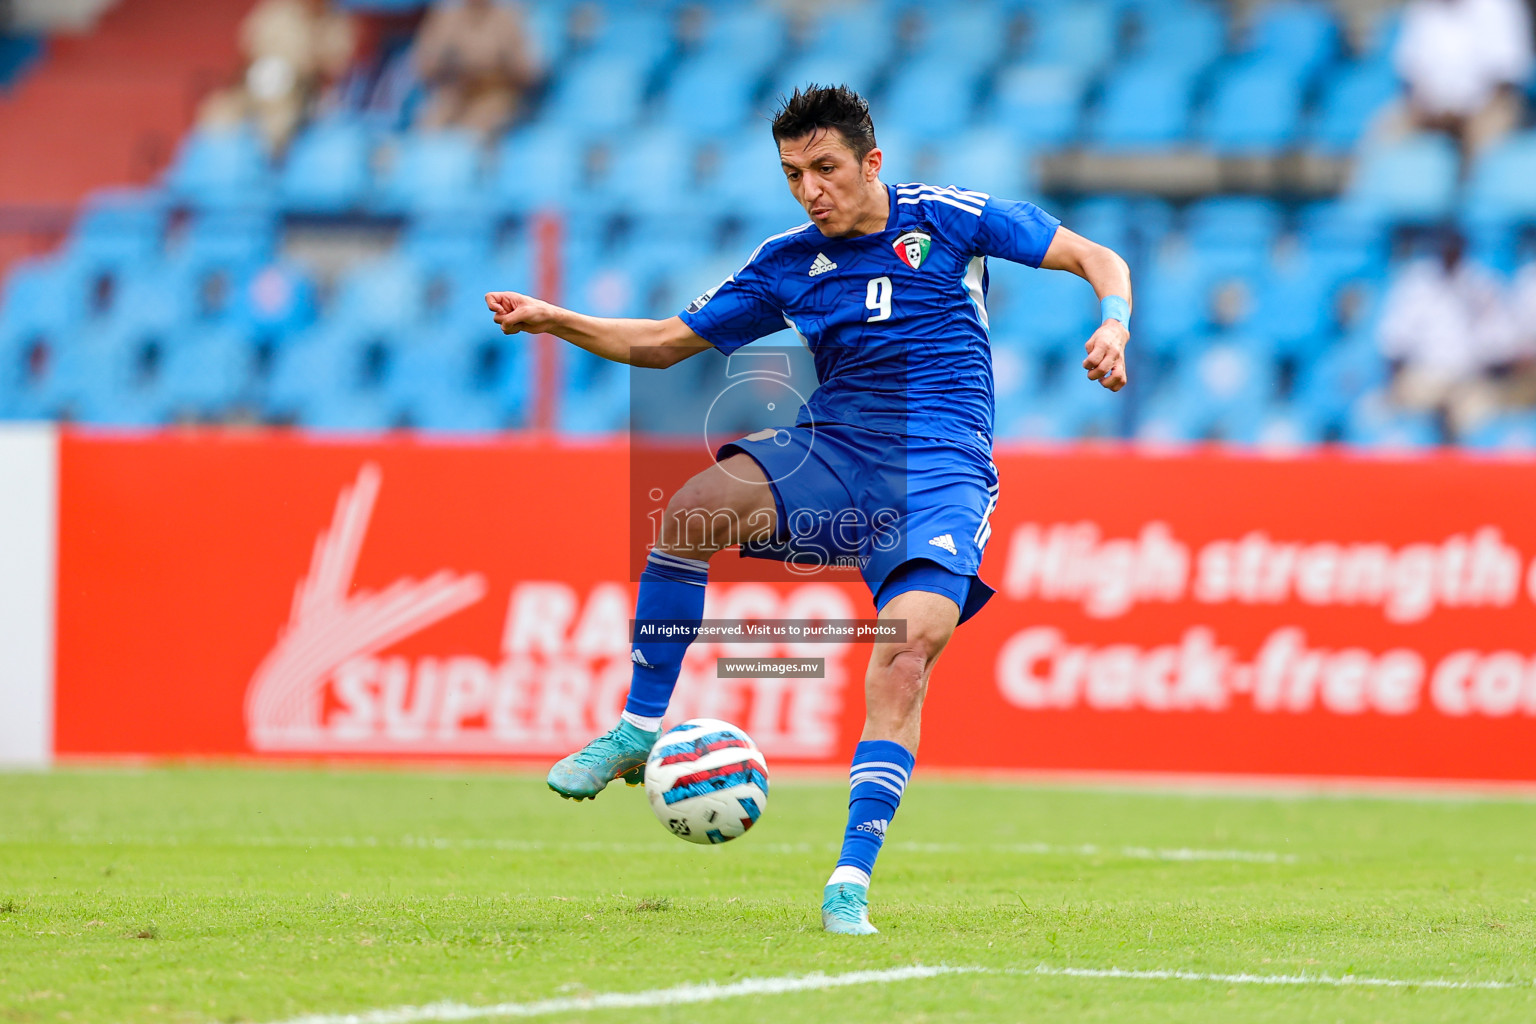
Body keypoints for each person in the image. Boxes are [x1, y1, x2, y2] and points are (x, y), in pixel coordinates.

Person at [484, 85, 1132, 935]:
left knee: (906, 657)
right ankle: (640, 728)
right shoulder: (789, 261)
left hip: (939, 467)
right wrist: (554, 319)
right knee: (689, 514)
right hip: (834, 448)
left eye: (824, 169)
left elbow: (1098, 257)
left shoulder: (949, 219)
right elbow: (662, 344)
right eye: (793, 174)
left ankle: (848, 882)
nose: (810, 190)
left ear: (871, 162)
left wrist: (1113, 324)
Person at [1377, 227, 1519, 435]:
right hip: (1424, 377)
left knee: (1481, 418)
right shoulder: (1415, 282)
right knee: (1383, 413)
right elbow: (1394, 344)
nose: (1449, 251)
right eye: (1444, 246)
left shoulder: (1482, 284)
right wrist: (1397, 385)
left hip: (1469, 380)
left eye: (1454, 247)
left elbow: (1501, 345)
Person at [1389, 0, 1534, 162]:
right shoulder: (1421, 9)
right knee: (1387, 136)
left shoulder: (1500, 6)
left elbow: (1506, 78)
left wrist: (1464, 109)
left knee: (1486, 146)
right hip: (1429, 109)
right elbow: (1410, 73)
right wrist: (1432, 107)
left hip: (1487, 105)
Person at [413, 0, 537, 138]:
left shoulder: (508, 17)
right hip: (453, 93)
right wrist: (447, 60)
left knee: (473, 135)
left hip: (495, 95)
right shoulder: (445, 17)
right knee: (427, 131)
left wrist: (500, 61)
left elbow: (529, 74)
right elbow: (424, 68)